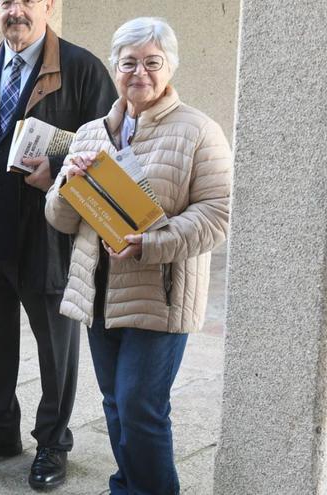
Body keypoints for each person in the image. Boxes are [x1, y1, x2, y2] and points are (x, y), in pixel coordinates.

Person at [44, 17, 232, 495]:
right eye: (129, 63)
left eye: (153, 62)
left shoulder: (199, 131)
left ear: (170, 67)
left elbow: (219, 214)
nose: (140, 73)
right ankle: (126, 484)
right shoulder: (89, 134)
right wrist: (68, 185)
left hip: (159, 294)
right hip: (100, 293)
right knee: (114, 403)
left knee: (140, 407)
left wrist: (150, 243)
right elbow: (61, 219)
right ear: (114, 68)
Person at [0, 0, 116, 490]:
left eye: (27, 0)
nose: (15, 9)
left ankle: (53, 445)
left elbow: (108, 150)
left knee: (56, 350)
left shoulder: (82, 68)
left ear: (50, 6)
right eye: (5, 1)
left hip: (48, 237)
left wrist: (58, 170)